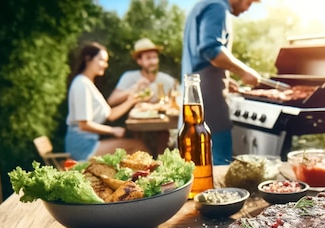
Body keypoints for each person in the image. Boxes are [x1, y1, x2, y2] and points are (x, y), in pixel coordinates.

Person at [182, 0, 262, 165]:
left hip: (197, 90)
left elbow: (200, 60)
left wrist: (224, 77)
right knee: (219, 157)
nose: (248, 9)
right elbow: (211, 49)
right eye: (249, 2)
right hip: (208, 96)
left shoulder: (203, 5)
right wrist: (244, 71)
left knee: (199, 157)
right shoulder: (217, 7)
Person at [65, 42, 148, 161]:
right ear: (88, 59)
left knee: (137, 149)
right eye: (101, 60)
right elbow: (84, 124)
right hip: (82, 146)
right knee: (138, 146)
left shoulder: (88, 83)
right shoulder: (81, 84)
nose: (105, 65)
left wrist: (131, 100)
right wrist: (113, 130)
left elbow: (110, 115)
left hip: (89, 142)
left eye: (106, 61)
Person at [107, 38, 176, 106]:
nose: (153, 62)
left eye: (155, 57)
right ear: (139, 61)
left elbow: (179, 97)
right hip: (136, 116)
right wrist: (135, 87)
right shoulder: (129, 77)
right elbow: (111, 101)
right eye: (148, 58)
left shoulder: (167, 80)